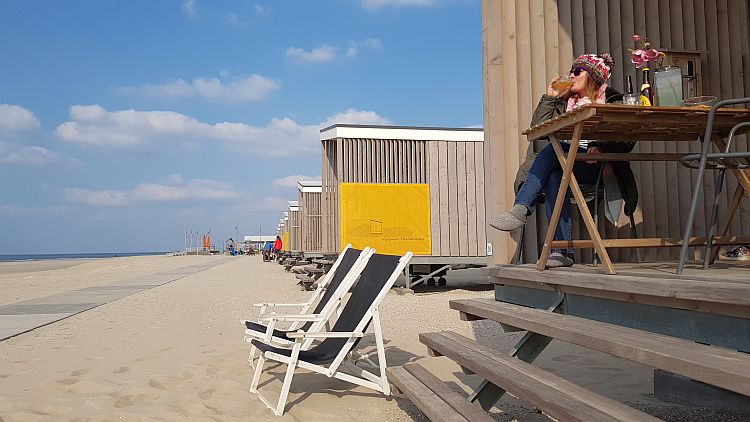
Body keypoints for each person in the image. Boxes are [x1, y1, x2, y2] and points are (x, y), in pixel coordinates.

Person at [490, 53, 637, 268]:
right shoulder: (563, 102)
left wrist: (602, 146)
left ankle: (521, 208)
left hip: (596, 166)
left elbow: (627, 140)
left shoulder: (613, 99)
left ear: (594, 77)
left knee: (552, 152)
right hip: (566, 162)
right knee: (554, 173)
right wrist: (550, 96)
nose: (571, 75)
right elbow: (538, 130)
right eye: (571, 71)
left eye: (577, 72)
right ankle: (562, 253)